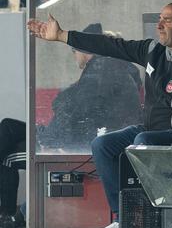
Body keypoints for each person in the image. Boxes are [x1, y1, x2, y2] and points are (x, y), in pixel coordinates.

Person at [28, 2, 172, 228]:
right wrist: (62, 36)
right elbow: (111, 45)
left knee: (142, 140)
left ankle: (154, 217)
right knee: (103, 145)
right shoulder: (155, 51)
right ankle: (124, 219)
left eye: (168, 21)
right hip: (151, 130)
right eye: (160, 19)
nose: (159, 25)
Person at [37, 23, 143, 151]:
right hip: (110, 138)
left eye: (73, 50)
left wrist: (49, 137)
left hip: (101, 142)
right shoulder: (109, 68)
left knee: (15, 134)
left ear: (83, 49)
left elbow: (80, 108)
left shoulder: (101, 70)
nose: (74, 55)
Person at [0, 118, 26, 228]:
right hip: (44, 132)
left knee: (7, 160)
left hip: (50, 140)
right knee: (6, 124)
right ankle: (6, 213)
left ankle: (7, 214)